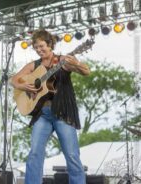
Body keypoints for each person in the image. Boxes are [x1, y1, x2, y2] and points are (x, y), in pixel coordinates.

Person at [11, 29, 90, 184]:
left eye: (42, 46)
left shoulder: (63, 61)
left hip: (62, 112)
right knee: (34, 154)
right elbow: (13, 80)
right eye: (36, 48)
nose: (39, 50)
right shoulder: (35, 65)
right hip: (42, 114)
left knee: (72, 155)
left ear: (50, 44)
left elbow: (86, 72)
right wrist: (26, 86)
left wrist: (77, 63)